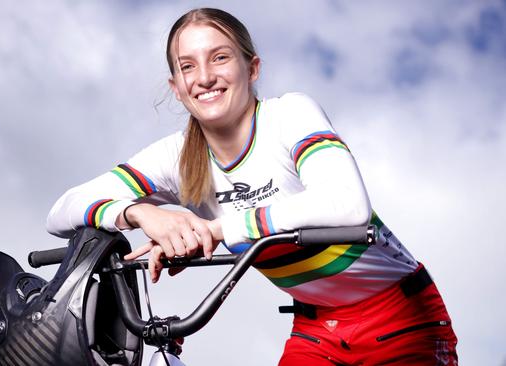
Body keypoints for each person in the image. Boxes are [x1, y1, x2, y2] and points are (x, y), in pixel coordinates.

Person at [46, 7, 458, 365]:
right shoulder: (174, 158)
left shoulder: (289, 115)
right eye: (187, 66)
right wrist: (140, 213)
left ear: (252, 68)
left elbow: (347, 205)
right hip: (317, 327)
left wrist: (214, 229)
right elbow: (61, 211)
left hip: (402, 317)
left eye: (219, 58)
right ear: (176, 87)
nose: (204, 77)